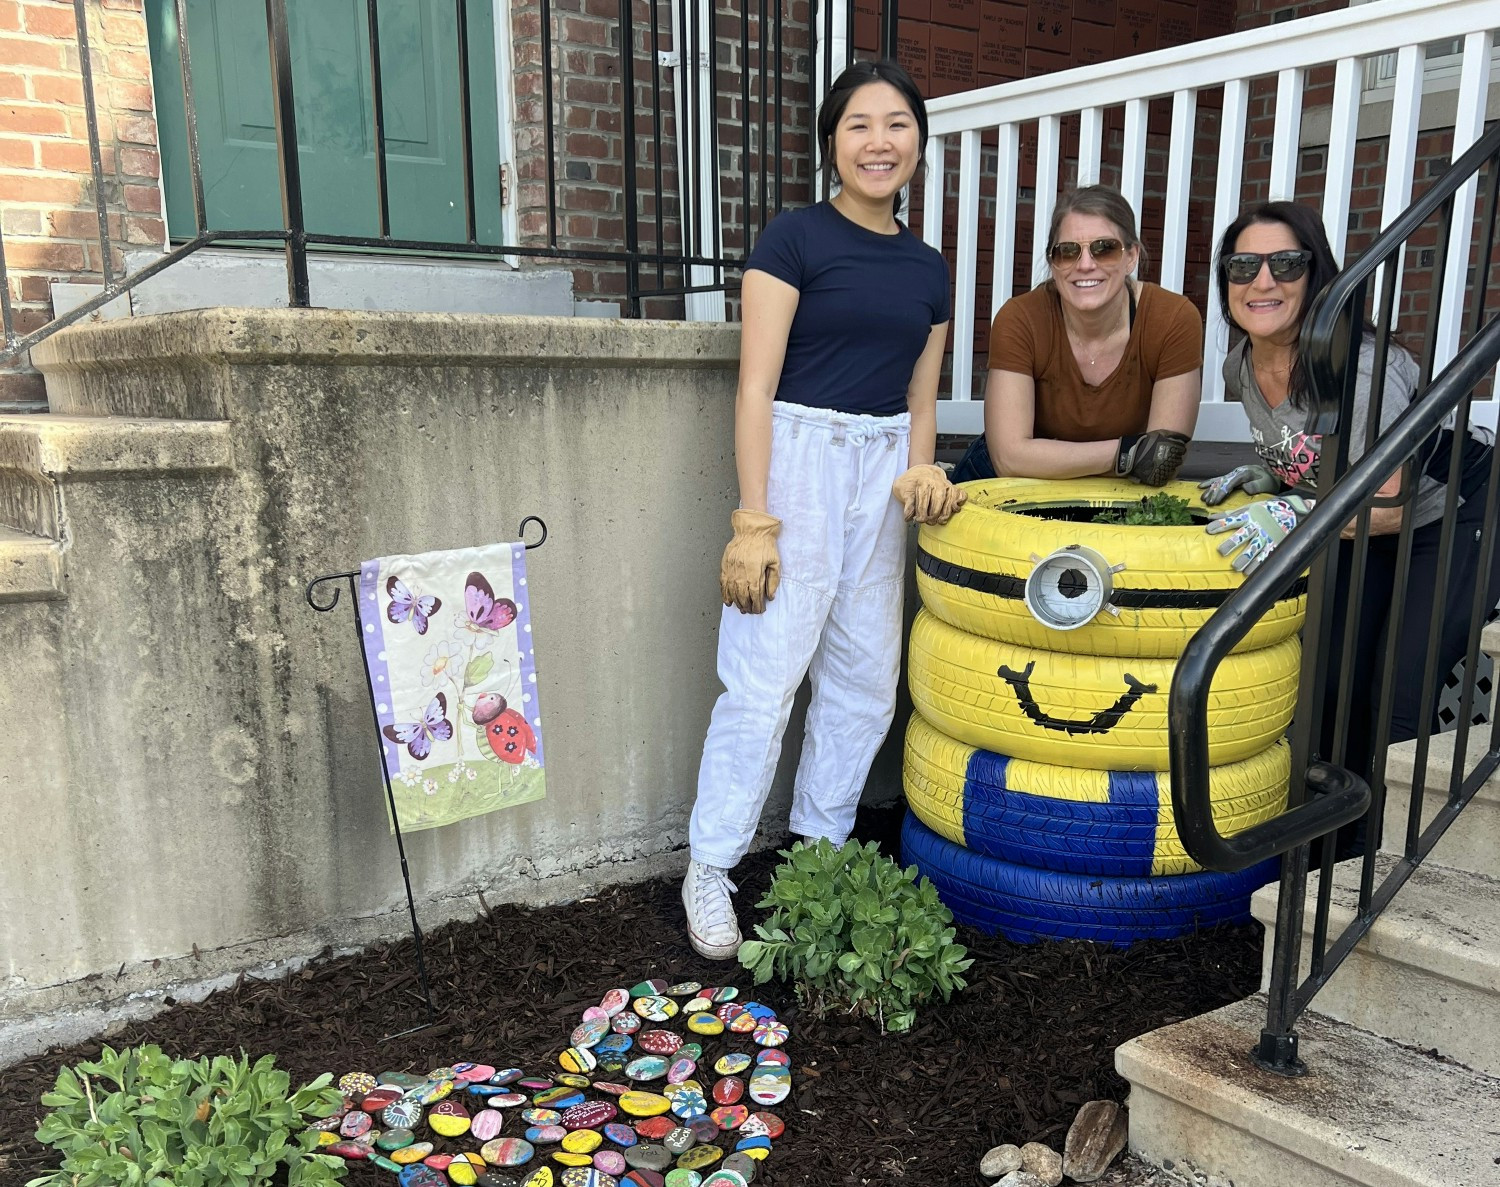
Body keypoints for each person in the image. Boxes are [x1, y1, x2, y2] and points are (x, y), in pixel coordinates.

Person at [681, 60, 964, 960]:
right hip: (799, 461)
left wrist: (923, 466)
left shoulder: (929, 267)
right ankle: (711, 865)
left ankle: (815, 855)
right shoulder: (794, 238)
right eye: (859, 126)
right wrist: (753, 518)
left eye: (897, 125)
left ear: (918, 141)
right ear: (832, 144)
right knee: (764, 678)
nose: (879, 142)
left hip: (880, 470)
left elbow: (922, 397)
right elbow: (755, 388)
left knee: (863, 678)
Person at [1199, 200, 1499, 779]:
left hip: (1456, 511)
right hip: (1350, 519)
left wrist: (1293, 512)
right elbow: (1319, 456)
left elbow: (1386, 503)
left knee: (1397, 692)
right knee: (1328, 680)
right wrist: (1279, 477)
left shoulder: (1361, 372)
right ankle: (1328, 840)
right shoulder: (1240, 364)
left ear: (1317, 278)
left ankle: (1381, 851)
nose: (1262, 281)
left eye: (1285, 264)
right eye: (1243, 267)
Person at [951, 185, 1203, 486]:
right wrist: (1126, 454)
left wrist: (1048, 457)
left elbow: (1163, 459)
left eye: (1105, 249)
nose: (1085, 265)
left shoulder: (1172, 318)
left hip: (1124, 490)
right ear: (1053, 262)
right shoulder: (1021, 319)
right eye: (1068, 252)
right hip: (1010, 483)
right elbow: (1009, 458)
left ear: (1131, 257)